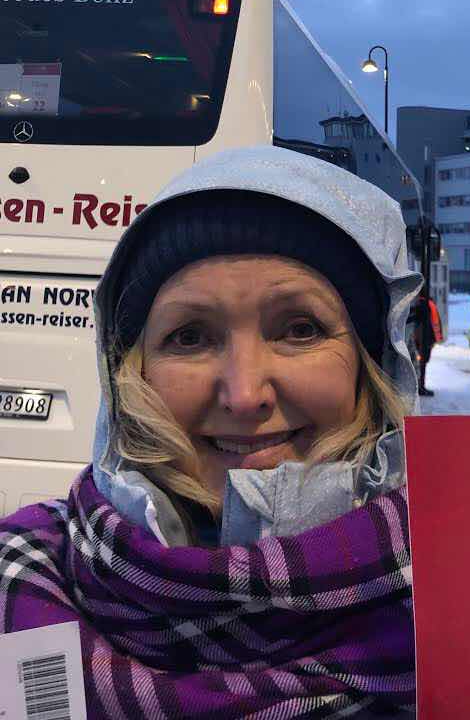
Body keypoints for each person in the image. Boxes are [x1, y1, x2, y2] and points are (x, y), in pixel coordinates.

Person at [0, 146, 419, 718]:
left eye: (299, 329)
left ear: (372, 368)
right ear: (131, 374)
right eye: (190, 337)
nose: (245, 396)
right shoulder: (24, 579)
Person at [407, 287, 443, 397]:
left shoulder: (422, 305)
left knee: (419, 363)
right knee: (421, 363)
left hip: (424, 339)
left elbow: (414, 318)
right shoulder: (428, 303)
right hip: (427, 339)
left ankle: (419, 386)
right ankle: (420, 385)